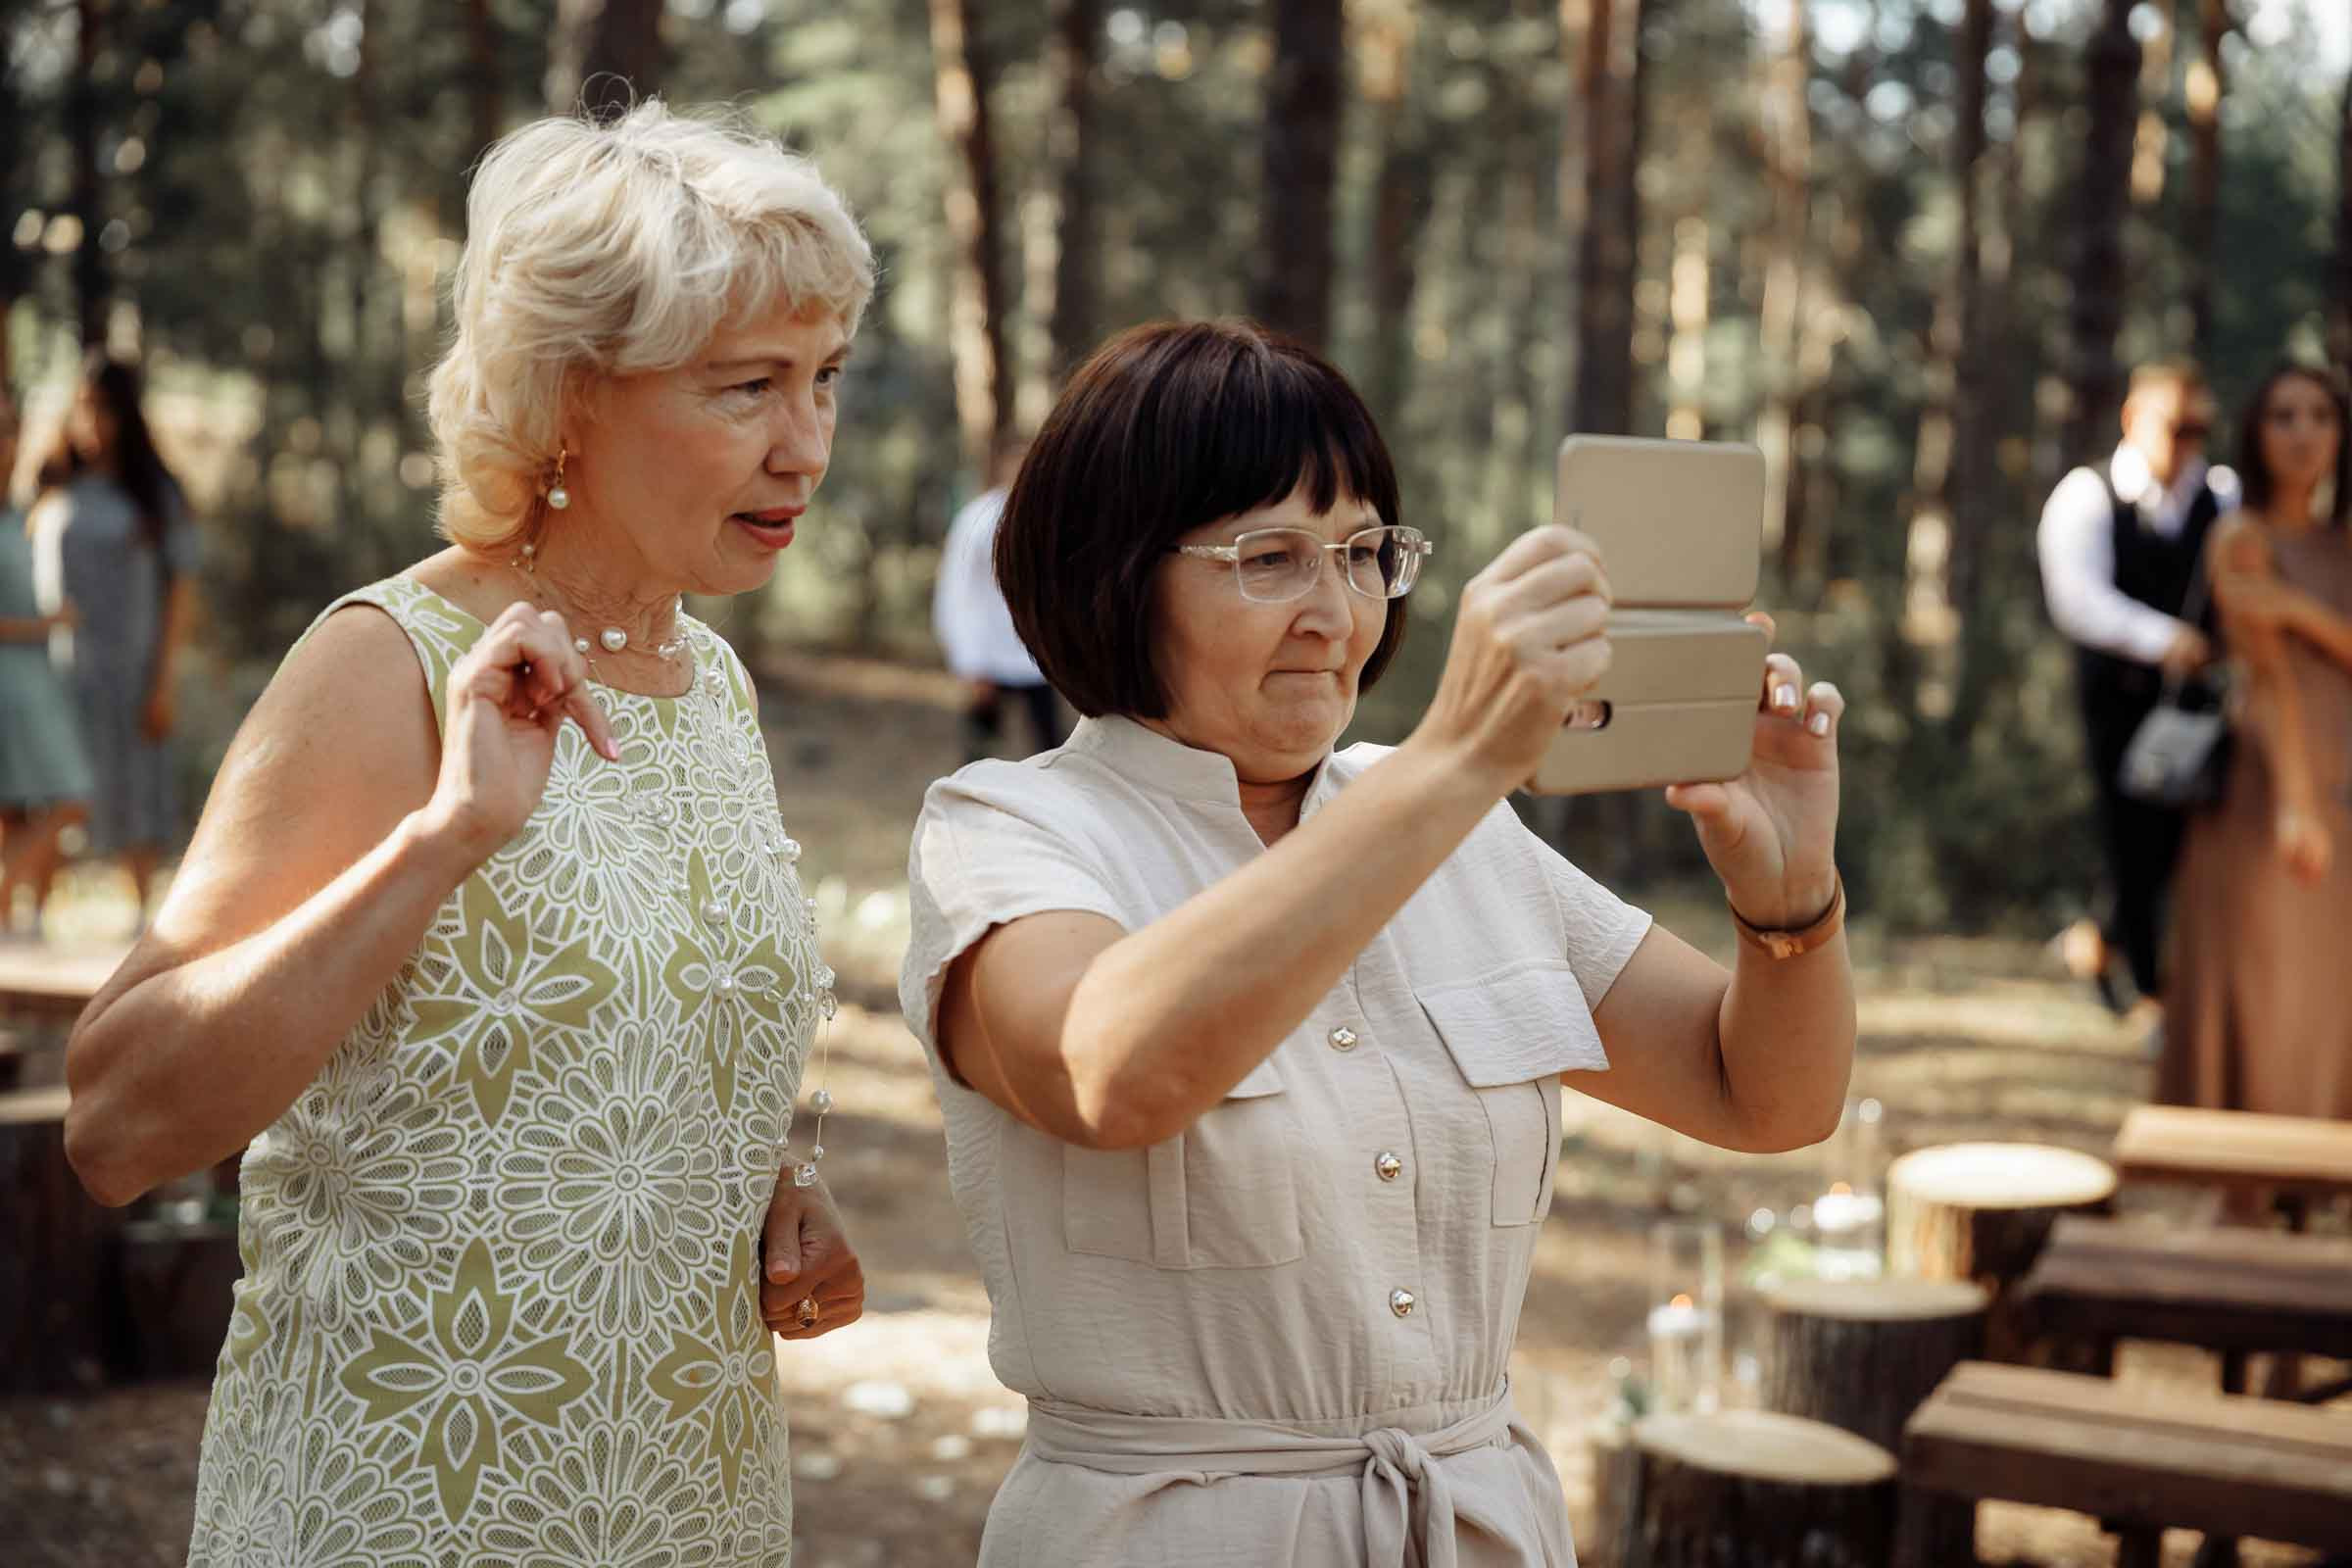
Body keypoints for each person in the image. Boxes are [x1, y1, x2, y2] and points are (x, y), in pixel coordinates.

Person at [900, 319, 1856, 1566]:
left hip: (1479, 1527)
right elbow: (1111, 1071)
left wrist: (1791, 899)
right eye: (1270, 556)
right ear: (1113, 570)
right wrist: (1462, 757)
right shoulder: (1007, 830)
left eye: (1360, 553)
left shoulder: (1454, 823)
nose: (1334, 612)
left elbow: (1766, 1096)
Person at [64, 103, 875, 1564]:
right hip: (400, 1509)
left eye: (826, 378)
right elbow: (120, 1123)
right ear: (569, 394)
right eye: (746, 387)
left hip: (685, 1509)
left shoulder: (716, 681)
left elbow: (570, 1080)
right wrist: (438, 842)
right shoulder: (384, 661)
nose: (805, 445)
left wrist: (773, 1190)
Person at [2162, 362, 2352, 1120]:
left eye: (2320, 416)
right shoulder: (2241, 536)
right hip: (2269, 787)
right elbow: (2264, 680)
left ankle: (2315, 1194)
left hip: (2347, 784)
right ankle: (2243, 1194)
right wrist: (2296, 804)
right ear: (2254, 433)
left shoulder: (2342, 544)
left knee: (2329, 991)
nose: (2303, 434)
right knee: (2268, 986)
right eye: (2283, 416)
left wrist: (2299, 611)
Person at [2037, 362, 2233, 1013]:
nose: (2189, 443)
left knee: (2176, 839)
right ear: (2134, 419)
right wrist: (2164, 640)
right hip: (2115, 697)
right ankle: (2151, 995)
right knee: (2127, 832)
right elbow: (2078, 601)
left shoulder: (2222, 497)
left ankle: (2102, 943)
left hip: (2199, 702)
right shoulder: (2086, 494)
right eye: (2177, 426)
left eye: (2200, 428)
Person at [29, 354, 200, 925]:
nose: (92, 422)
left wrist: (165, 682)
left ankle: (142, 920)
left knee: (136, 789)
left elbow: (181, 592)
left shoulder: (156, 496)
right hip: (57, 671)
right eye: (83, 408)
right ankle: (32, 919)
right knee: (52, 791)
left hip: (131, 669)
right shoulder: (51, 485)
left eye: (104, 410)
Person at [0, 385, 94, 939]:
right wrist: (48, 626)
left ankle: (17, 922)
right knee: (68, 798)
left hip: (37, 678)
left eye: (9, 429)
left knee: (38, 806)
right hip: (12, 676)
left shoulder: (20, 511)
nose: (6, 443)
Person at [934, 432, 1064, 761]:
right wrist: (969, 660)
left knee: (1053, 751)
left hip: (1037, 658)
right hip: (989, 657)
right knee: (980, 753)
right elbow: (956, 591)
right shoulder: (976, 521)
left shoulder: (1049, 519)